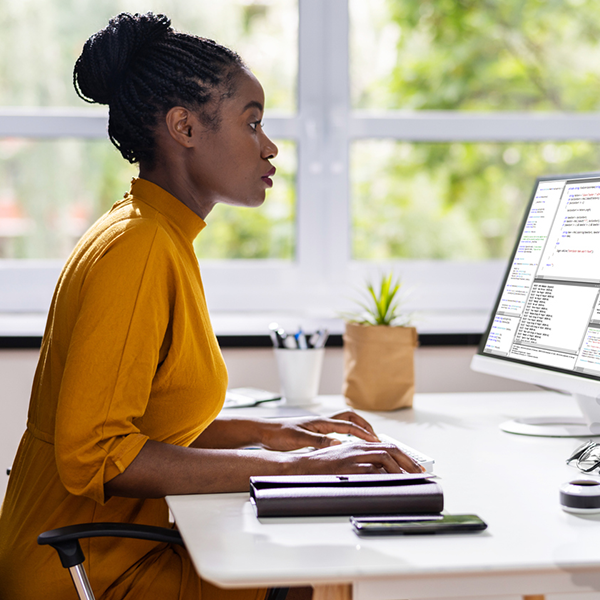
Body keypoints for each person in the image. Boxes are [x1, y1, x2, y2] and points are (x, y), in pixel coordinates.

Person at [0, 13, 421, 600]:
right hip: (85, 573)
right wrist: (297, 472)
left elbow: (151, 426)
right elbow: (94, 455)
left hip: (104, 551)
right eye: (253, 123)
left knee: (301, 567)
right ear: (185, 127)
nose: (270, 146)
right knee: (307, 579)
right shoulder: (139, 248)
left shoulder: (155, 234)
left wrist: (280, 435)